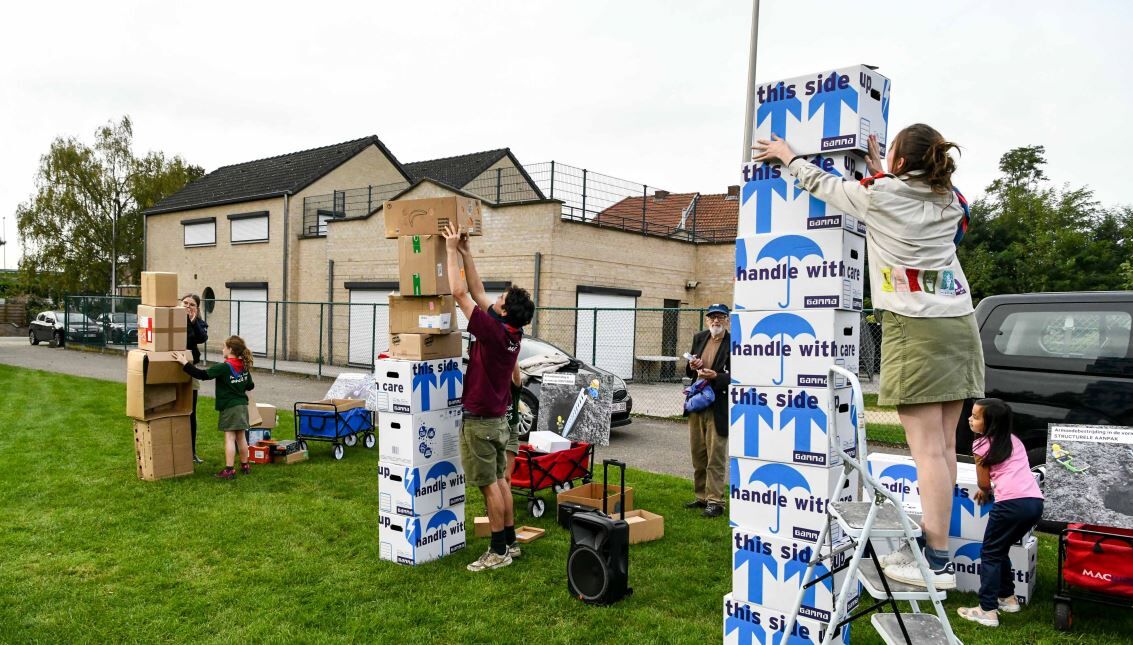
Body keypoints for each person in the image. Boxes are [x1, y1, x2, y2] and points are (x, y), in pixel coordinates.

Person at [755, 124, 984, 589]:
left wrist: (787, 155)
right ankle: (938, 552)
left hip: (915, 325)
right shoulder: (952, 201)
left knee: (927, 452)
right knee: (943, 447)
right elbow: (913, 200)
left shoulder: (880, 196)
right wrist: (885, 170)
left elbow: (825, 186)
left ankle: (934, 559)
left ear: (899, 162)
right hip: (960, 324)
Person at [443, 223, 535, 572]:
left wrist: (450, 248)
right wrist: (466, 251)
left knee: (488, 487)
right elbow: (478, 292)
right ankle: (510, 542)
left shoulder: (494, 332)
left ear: (505, 311)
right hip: (496, 420)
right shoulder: (513, 331)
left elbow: (460, 292)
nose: (495, 300)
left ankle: (497, 552)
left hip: (481, 421)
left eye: (500, 300)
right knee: (500, 482)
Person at [957, 398, 1044, 627]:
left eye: (976, 417)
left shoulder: (981, 445)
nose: (970, 419)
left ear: (991, 424)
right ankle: (1008, 598)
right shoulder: (1015, 441)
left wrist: (985, 492)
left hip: (1010, 505)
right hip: (1034, 503)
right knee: (1000, 548)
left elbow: (983, 483)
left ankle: (987, 610)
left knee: (989, 553)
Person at [174, 335, 255, 480]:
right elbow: (250, 385)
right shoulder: (243, 366)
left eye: (224, 347)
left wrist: (184, 363)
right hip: (243, 406)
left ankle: (229, 470)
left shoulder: (224, 367)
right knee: (241, 437)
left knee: (230, 437)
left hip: (230, 407)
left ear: (230, 349)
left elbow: (202, 375)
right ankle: (245, 466)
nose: (222, 349)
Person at [683, 303, 732, 518]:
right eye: (712, 317)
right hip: (697, 403)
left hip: (718, 405)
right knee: (698, 453)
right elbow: (690, 371)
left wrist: (717, 377)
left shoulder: (734, 342)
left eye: (720, 317)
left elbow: (741, 375)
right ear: (707, 320)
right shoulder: (700, 338)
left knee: (715, 456)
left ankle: (715, 501)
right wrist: (693, 366)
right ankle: (701, 497)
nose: (716, 321)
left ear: (727, 320)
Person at [181, 293, 209, 464]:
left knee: (190, 411)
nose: (187, 306)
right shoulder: (172, 319)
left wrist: (192, 322)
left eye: (192, 304)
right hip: (170, 367)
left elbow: (201, 338)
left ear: (197, 308)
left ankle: (191, 452)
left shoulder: (199, 323)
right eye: (185, 303)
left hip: (190, 369)